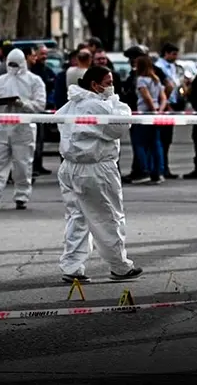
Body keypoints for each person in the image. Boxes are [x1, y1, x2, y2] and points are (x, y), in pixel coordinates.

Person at [55, 65, 142, 283]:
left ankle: (72, 266)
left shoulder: (72, 104)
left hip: (70, 168)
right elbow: (120, 126)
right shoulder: (97, 105)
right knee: (108, 217)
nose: (112, 86)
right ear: (95, 85)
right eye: (108, 82)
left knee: (77, 217)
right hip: (95, 169)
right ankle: (120, 266)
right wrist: (113, 103)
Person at [0, 49, 48, 211]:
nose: (14, 67)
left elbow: (40, 105)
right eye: (11, 64)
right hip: (2, 127)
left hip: (24, 128)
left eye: (16, 64)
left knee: (22, 164)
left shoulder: (34, 81)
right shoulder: (1, 81)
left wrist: (22, 104)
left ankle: (21, 196)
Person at [132, 54, 168, 185]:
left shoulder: (141, 80)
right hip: (156, 112)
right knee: (155, 143)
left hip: (145, 113)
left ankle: (144, 170)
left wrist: (152, 110)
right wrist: (160, 110)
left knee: (140, 143)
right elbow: (163, 97)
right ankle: (159, 171)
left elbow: (146, 97)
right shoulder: (156, 80)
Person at [154, 43, 181, 180]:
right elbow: (165, 87)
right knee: (163, 139)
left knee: (167, 140)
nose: (176, 57)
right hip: (165, 106)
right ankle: (162, 168)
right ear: (166, 53)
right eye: (173, 54)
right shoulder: (160, 67)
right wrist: (167, 103)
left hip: (172, 105)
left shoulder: (172, 67)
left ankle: (165, 167)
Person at [29, 46, 56, 176]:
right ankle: (33, 166)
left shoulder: (47, 70)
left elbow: (53, 81)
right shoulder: (33, 71)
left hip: (43, 108)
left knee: (40, 138)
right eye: (41, 54)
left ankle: (38, 164)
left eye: (46, 54)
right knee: (33, 139)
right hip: (32, 110)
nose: (44, 56)